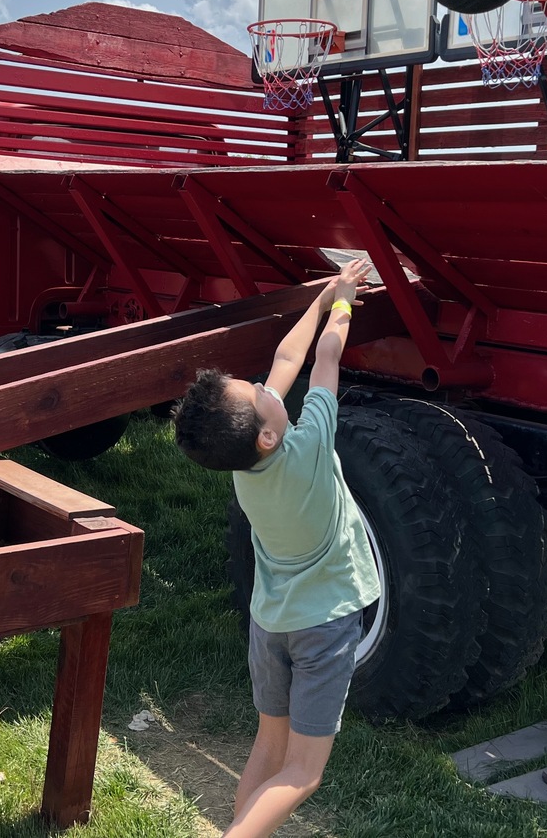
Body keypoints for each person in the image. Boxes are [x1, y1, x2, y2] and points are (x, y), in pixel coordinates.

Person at [170, 259, 379, 838]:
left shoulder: (245, 464)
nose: (266, 384)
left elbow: (290, 361)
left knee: (269, 742)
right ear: (266, 433)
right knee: (303, 772)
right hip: (324, 626)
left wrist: (321, 297)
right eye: (260, 393)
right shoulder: (309, 441)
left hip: (271, 625)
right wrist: (342, 303)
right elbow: (325, 359)